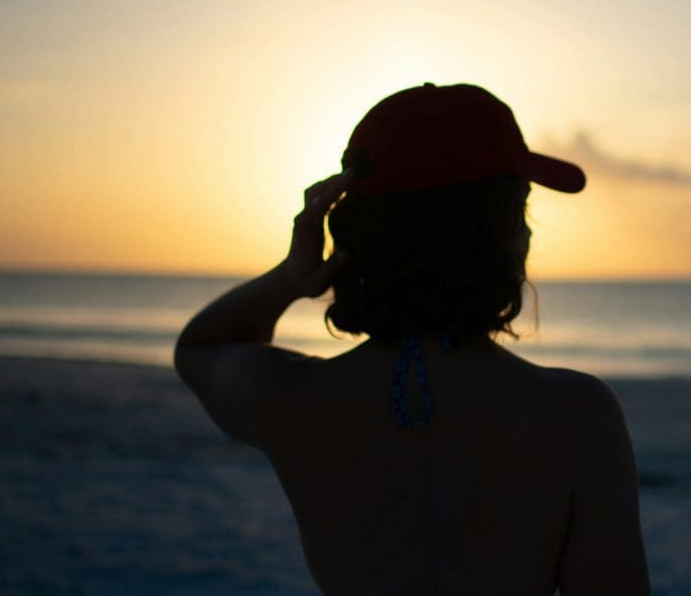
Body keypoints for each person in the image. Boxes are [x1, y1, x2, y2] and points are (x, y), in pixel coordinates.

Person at [174, 83, 650, 595]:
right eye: (523, 213)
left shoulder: (290, 395)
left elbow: (199, 349)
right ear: (502, 234)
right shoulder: (575, 413)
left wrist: (290, 278)